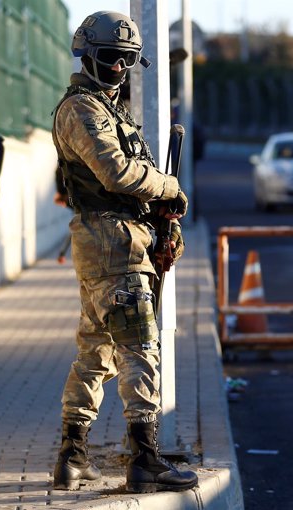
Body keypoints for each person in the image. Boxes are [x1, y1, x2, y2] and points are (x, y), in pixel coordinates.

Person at [50, 11, 197, 493]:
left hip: (116, 243)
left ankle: (72, 457)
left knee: (96, 353)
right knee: (140, 347)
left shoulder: (106, 109)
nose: (117, 67)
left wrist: (158, 221)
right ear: (87, 54)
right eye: (109, 57)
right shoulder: (83, 110)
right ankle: (146, 457)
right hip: (111, 246)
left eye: (128, 60)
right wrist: (169, 187)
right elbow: (116, 174)